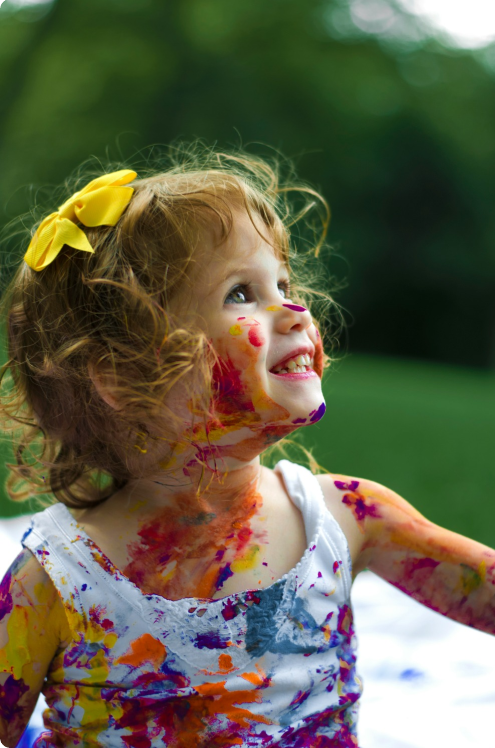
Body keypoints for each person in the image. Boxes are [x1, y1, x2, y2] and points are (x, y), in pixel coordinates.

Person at [0, 144, 494, 748]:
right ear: (122, 377)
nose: (293, 309)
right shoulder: (60, 577)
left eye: (282, 282)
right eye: (241, 292)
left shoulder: (346, 518)